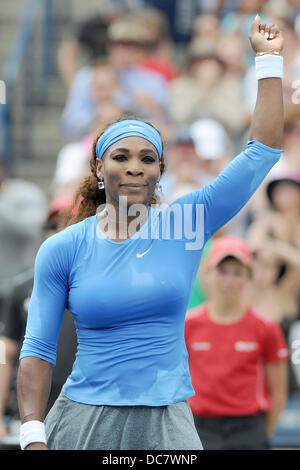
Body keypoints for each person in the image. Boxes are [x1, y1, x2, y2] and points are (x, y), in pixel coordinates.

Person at [17, 16, 285, 450]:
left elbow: (263, 150)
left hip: (168, 420)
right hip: (84, 419)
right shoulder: (63, 247)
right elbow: (38, 350)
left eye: (148, 158)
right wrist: (33, 435)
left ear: (161, 170)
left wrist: (269, 60)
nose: (136, 166)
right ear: (100, 168)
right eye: (121, 156)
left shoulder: (187, 223)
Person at [185, 235, 289, 450]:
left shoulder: (265, 327)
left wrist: (260, 434)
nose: (229, 281)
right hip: (199, 428)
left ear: (248, 277)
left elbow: (278, 392)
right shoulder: (188, 324)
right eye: (222, 272)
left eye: (237, 273)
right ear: (207, 274)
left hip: (248, 429)